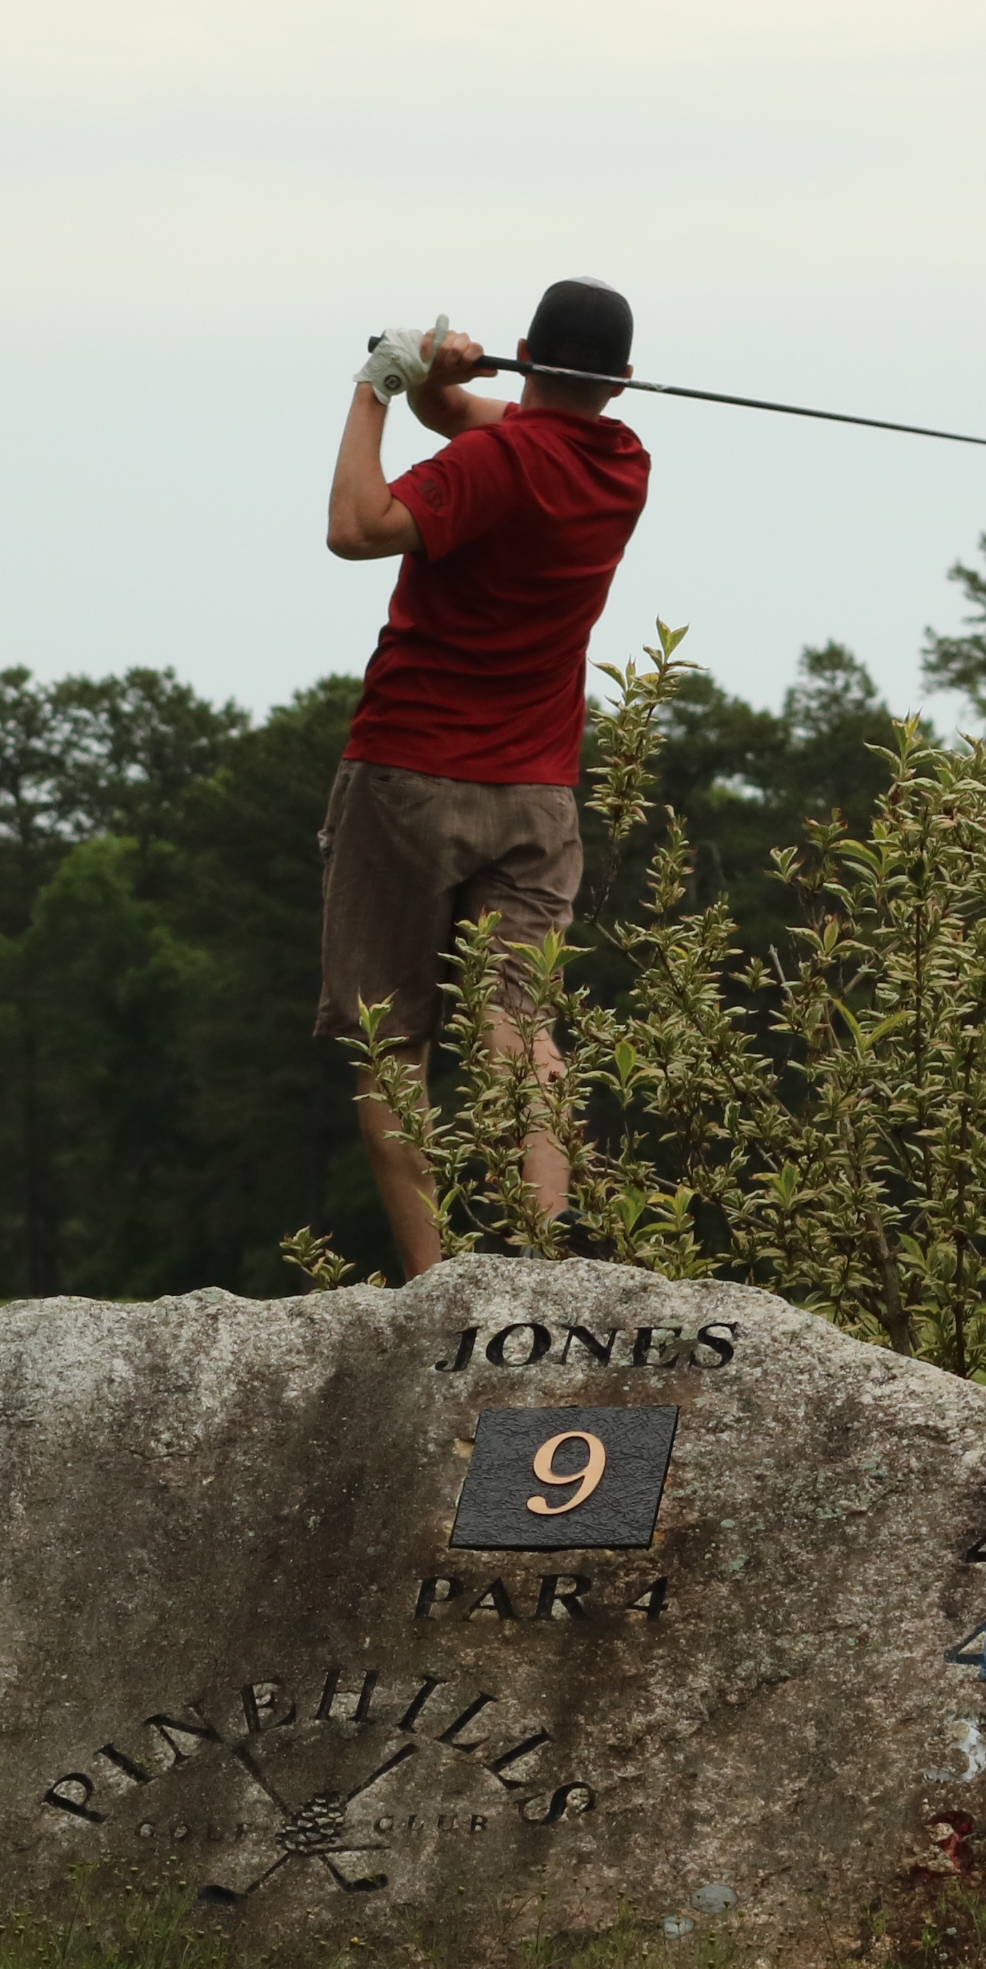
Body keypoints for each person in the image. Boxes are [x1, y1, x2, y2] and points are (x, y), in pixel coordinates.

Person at [320, 277, 652, 1277]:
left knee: (390, 1037)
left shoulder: (494, 462)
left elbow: (357, 525)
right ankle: (543, 1269)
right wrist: (440, 383)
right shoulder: (623, 462)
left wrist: (377, 386)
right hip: (538, 795)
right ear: (623, 384)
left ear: (524, 349)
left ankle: (435, 1286)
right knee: (519, 1025)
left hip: (409, 777)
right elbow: (470, 421)